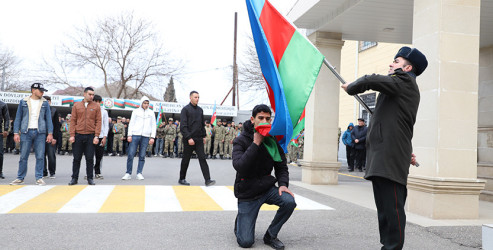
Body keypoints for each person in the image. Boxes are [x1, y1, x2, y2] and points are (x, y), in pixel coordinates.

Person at [342, 46, 427, 250]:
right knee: (385, 210)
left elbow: (371, 79)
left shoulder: (404, 81)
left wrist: (352, 87)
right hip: (384, 155)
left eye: (397, 61)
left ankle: (392, 247)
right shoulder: (398, 87)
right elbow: (398, 124)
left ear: (408, 68)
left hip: (389, 158)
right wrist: (406, 150)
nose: (391, 63)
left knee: (392, 209)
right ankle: (387, 246)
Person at [232, 104, 296, 249]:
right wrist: (256, 143)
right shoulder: (240, 140)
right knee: (246, 242)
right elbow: (240, 166)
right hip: (247, 192)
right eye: (260, 118)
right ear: (252, 119)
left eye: (268, 119)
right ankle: (241, 219)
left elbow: (281, 166)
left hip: (266, 188)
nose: (264, 122)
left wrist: (283, 185)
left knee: (289, 201)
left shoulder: (272, 140)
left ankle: (270, 235)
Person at [10, 83, 53, 185]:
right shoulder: (23, 101)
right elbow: (18, 118)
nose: (43, 93)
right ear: (34, 90)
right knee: (23, 156)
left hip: (40, 132)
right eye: (41, 90)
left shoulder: (45, 103)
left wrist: (50, 133)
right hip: (26, 132)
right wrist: (16, 133)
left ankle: (39, 178)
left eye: (43, 91)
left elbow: (48, 119)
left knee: (40, 156)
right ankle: (20, 177)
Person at [178, 91, 215, 186]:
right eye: (195, 97)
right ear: (190, 97)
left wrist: (203, 136)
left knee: (202, 158)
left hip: (198, 139)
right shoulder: (185, 110)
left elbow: (201, 124)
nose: (197, 99)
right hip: (189, 139)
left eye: (198, 97)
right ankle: (182, 178)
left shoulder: (200, 110)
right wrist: (189, 137)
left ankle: (208, 180)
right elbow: (183, 126)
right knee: (186, 159)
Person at [68, 87, 102, 186]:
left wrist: (96, 136)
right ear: (84, 94)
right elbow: (73, 120)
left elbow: (98, 121)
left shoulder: (96, 106)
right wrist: (72, 135)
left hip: (90, 136)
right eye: (90, 94)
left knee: (90, 158)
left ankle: (90, 178)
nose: (92, 96)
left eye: (93, 95)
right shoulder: (76, 105)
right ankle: (74, 178)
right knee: (76, 158)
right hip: (78, 135)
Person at [122, 96, 156, 180]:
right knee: (131, 154)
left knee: (142, 155)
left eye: (147, 103)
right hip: (135, 135)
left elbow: (153, 125)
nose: (146, 105)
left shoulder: (151, 113)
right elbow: (132, 123)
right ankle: (128, 173)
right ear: (141, 103)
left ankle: (139, 173)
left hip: (145, 136)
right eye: (144, 103)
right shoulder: (136, 111)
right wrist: (129, 135)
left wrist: (152, 137)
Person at [43, 96, 61, 179]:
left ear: (50, 102)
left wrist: (55, 138)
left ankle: (52, 172)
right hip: (41, 136)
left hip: (51, 136)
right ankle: (43, 172)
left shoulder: (54, 111)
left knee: (51, 155)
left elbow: (57, 126)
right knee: (41, 155)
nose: (46, 102)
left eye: (48, 101)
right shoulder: (39, 110)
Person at [92, 95, 108, 180]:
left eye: (99, 102)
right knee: (89, 156)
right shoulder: (90, 110)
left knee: (99, 156)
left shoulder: (104, 112)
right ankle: (89, 172)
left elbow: (106, 125)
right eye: (96, 101)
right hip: (91, 136)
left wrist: (105, 137)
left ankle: (97, 172)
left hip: (101, 136)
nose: (97, 103)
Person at [0, 99, 10, 179]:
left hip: (0, 132)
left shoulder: (3, 105)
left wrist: (6, 130)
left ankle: (0, 171)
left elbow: (7, 118)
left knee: (0, 153)